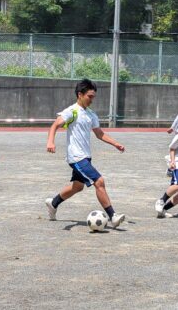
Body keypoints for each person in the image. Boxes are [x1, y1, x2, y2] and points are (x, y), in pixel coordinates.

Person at [45, 79, 127, 228]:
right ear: (80, 94)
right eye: (89, 96)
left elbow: (99, 134)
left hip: (86, 156)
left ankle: (53, 203)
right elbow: (55, 125)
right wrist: (50, 141)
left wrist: (116, 144)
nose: (92, 100)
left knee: (77, 186)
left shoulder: (91, 114)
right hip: (76, 157)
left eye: (93, 96)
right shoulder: (72, 111)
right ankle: (112, 216)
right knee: (99, 181)